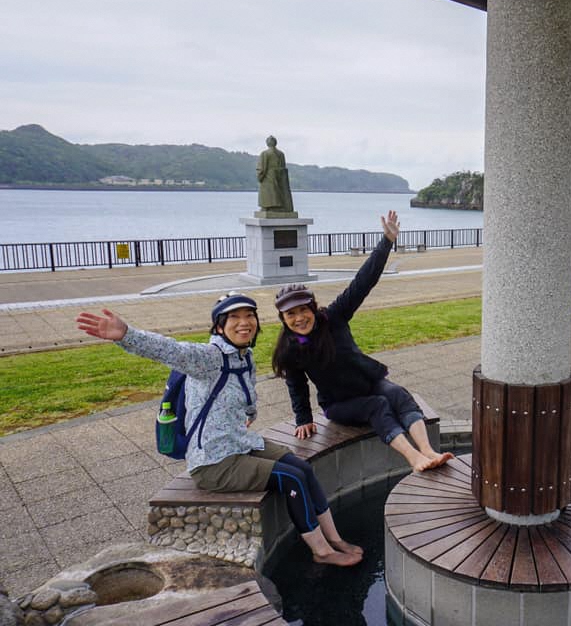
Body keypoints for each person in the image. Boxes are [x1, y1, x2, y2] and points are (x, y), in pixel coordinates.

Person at [76, 293, 362, 567]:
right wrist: (126, 334)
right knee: (291, 479)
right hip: (214, 462)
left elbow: (248, 399)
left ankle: (335, 538)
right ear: (219, 326)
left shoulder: (244, 357)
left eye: (249, 315)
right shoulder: (208, 358)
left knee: (303, 469)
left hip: (240, 443)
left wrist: (247, 415)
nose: (244, 322)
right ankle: (321, 551)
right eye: (234, 317)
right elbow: (170, 350)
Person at [271, 210, 453, 472]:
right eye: (291, 314)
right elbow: (296, 384)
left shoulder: (334, 317)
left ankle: (427, 450)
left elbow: (363, 281)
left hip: (368, 384)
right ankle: (415, 460)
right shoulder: (290, 349)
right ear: (283, 319)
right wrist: (303, 418)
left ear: (313, 308)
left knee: (398, 394)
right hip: (338, 405)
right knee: (378, 405)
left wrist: (387, 241)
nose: (299, 318)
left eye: (303, 310)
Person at [256, 135, 294, 213]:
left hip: (268, 177)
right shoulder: (281, 154)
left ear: (268, 143)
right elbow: (283, 168)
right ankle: (278, 206)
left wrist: (259, 176)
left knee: (269, 194)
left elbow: (262, 168)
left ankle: (268, 207)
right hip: (279, 177)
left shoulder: (265, 154)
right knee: (276, 193)